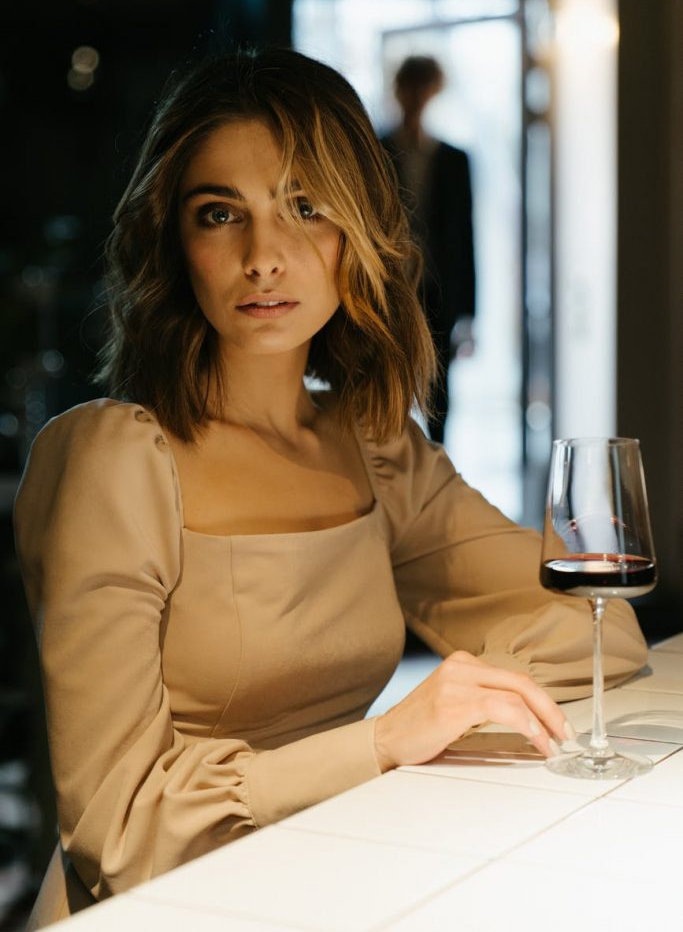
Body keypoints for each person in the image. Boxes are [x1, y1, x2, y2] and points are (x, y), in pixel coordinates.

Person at [14, 47, 647, 929]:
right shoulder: (114, 463)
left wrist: (460, 703)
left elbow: (600, 629)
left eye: (304, 207)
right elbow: (118, 830)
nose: (264, 256)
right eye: (218, 213)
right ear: (174, 243)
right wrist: (385, 741)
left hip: (337, 872)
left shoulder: (375, 448)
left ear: (358, 231)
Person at [382, 55, 475, 443]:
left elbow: (465, 240)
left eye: (425, 89)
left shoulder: (454, 160)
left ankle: (434, 480)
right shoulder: (377, 149)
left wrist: (469, 314)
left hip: (439, 292)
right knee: (389, 389)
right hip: (391, 289)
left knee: (439, 396)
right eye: (411, 88)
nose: (417, 98)